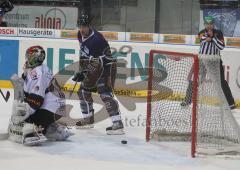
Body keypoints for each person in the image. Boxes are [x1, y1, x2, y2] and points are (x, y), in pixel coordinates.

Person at [9, 46, 73, 145]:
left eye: (29, 56)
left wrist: (23, 116)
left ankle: (35, 132)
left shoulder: (37, 72)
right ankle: (51, 128)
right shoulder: (43, 69)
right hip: (57, 109)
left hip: (48, 110)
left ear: (33, 57)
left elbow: (37, 100)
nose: (27, 59)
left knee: (24, 121)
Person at [72, 13, 124, 135]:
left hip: (107, 67)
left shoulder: (96, 40)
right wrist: (83, 70)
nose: (82, 29)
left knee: (105, 94)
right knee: (83, 92)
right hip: (95, 66)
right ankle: (88, 120)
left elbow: (98, 62)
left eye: (84, 26)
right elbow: (86, 55)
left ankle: (117, 124)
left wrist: (84, 73)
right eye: (80, 26)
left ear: (89, 26)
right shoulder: (80, 34)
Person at [181, 15, 236, 110]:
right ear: (205, 24)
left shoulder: (219, 33)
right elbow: (202, 40)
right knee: (194, 80)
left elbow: (221, 47)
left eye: (211, 24)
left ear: (213, 24)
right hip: (202, 60)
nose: (209, 26)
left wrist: (213, 38)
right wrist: (210, 37)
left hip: (215, 60)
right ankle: (187, 100)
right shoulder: (201, 33)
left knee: (222, 82)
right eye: (207, 24)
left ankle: (231, 103)